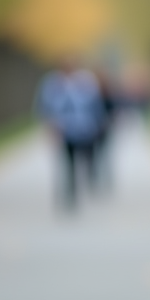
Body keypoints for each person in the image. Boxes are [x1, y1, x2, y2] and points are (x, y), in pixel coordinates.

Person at [36, 58, 102, 210]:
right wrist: (49, 126)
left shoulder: (86, 83)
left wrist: (96, 123)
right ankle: (68, 193)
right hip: (62, 130)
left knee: (79, 161)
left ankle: (73, 191)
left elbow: (94, 104)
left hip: (83, 130)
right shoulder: (52, 84)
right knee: (67, 162)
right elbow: (44, 106)